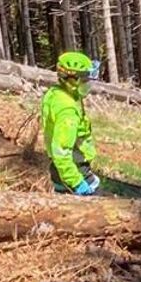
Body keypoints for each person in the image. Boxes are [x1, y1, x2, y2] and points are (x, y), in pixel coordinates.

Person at [43, 51, 101, 195]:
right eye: (85, 80)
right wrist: (76, 182)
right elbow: (61, 151)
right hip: (73, 170)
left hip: (65, 168)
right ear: (72, 80)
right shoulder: (67, 111)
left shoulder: (59, 94)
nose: (88, 85)